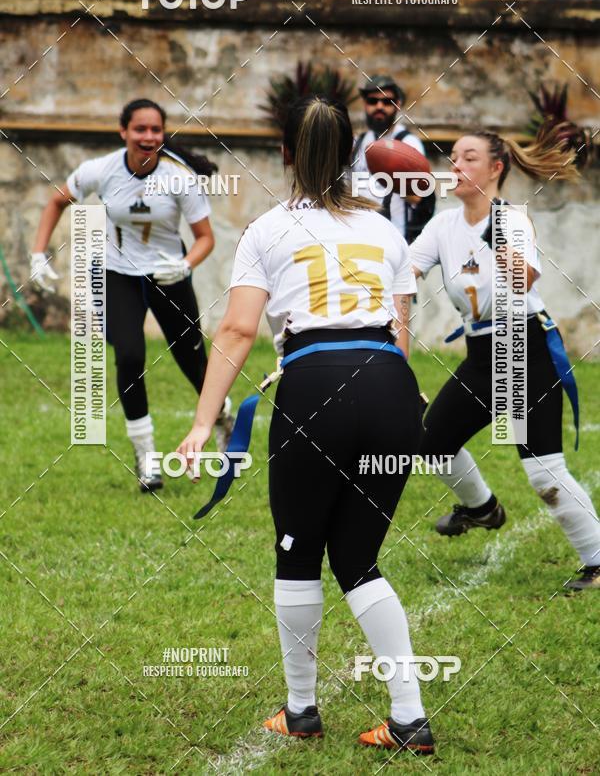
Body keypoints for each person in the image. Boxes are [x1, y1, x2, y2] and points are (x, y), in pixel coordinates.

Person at [176, 96, 435, 753]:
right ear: (351, 152)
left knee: (298, 552)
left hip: (316, 386)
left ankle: (300, 711)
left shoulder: (266, 229)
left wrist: (203, 422)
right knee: (358, 558)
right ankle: (409, 718)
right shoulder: (385, 231)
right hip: (391, 388)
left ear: (285, 153)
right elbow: (400, 333)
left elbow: (237, 330)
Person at [411, 126, 600, 592]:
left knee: (543, 471)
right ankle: (482, 509)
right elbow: (401, 272)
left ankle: (597, 561)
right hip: (481, 353)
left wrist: (499, 241)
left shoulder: (511, 219)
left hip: (522, 347)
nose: (455, 165)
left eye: (468, 158)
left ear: (495, 168)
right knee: (433, 443)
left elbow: (524, 280)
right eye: (453, 157)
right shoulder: (442, 226)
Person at [31, 98, 234, 492]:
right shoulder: (101, 170)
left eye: (156, 129)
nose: (148, 136)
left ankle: (223, 418)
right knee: (129, 355)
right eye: (140, 129)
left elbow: (205, 239)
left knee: (194, 365)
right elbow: (57, 200)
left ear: (163, 133)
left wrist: (186, 265)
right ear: (123, 131)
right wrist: (38, 254)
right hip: (118, 274)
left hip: (169, 275)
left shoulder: (180, 178)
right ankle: (147, 458)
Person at [353, 74, 435, 242]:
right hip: (359, 235)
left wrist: (391, 175)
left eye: (387, 101)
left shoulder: (408, 143)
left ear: (397, 104)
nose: (379, 106)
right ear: (365, 104)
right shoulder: (359, 142)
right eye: (373, 101)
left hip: (395, 237)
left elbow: (417, 197)